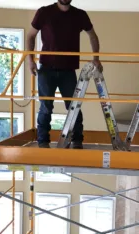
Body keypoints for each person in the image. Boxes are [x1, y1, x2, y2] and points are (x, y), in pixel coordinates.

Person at [26, 0, 103, 149]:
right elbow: (30, 36)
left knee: (74, 106)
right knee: (46, 107)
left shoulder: (79, 15)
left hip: (68, 70)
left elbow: (93, 35)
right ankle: (43, 142)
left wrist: (96, 59)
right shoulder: (44, 12)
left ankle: (77, 140)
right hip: (47, 69)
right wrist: (30, 60)